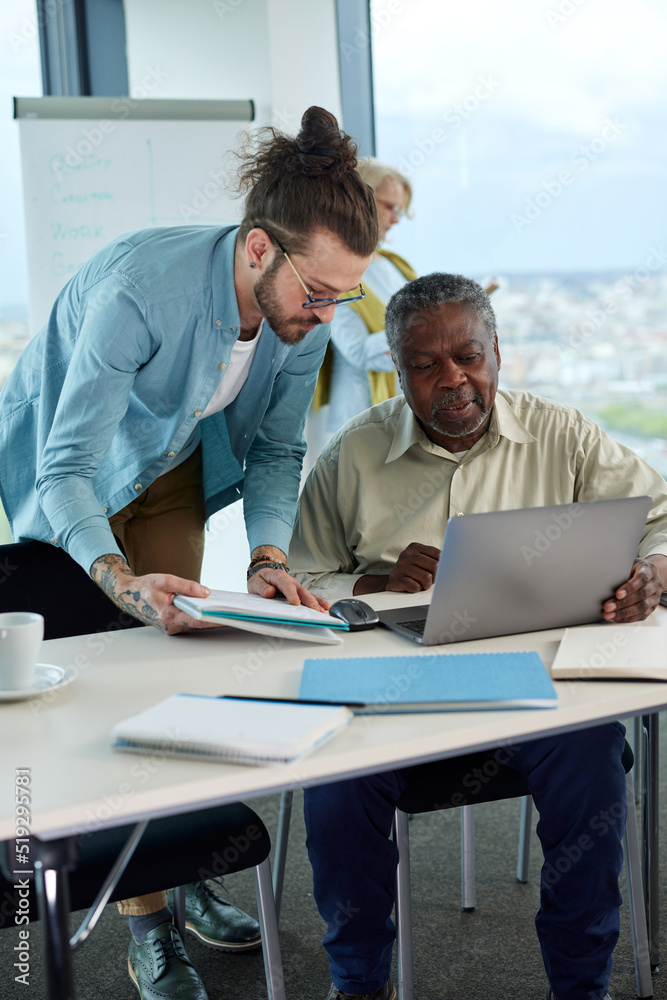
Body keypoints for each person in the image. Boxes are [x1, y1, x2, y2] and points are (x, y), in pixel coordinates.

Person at [0, 107, 378, 1000]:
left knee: (170, 658)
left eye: (343, 297)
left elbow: (280, 452)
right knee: (99, 667)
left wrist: (268, 557)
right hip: (71, 466)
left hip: (169, 460)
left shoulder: (303, 313)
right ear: (257, 251)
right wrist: (117, 577)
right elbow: (68, 466)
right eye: (318, 292)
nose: (327, 314)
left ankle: (175, 859)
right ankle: (150, 924)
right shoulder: (143, 290)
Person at [289, 272, 667, 1000]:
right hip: (394, 686)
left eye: (468, 356)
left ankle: (580, 984)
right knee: (334, 788)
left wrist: (655, 571)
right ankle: (357, 982)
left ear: (497, 352)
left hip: (533, 677)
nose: (452, 379)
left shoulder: (562, 434)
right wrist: (369, 586)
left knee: (593, 758)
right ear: (396, 372)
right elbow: (301, 578)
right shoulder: (352, 454)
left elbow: (661, 514)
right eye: (425, 365)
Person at [312, 158, 417, 434]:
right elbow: (357, 350)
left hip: (405, 411)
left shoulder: (393, 265)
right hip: (361, 419)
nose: (396, 218)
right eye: (390, 207)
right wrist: (421, 330)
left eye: (399, 211)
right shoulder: (336, 269)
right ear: (360, 199)